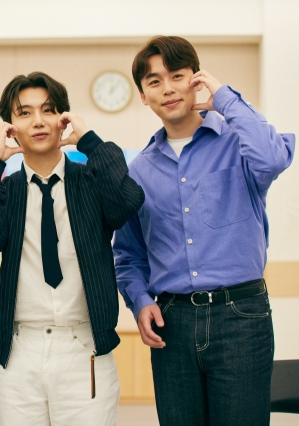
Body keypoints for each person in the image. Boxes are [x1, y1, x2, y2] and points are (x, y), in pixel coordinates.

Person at [113, 36, 295, 426]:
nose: (168, 88)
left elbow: (274, 157)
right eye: (155, 81)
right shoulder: (139, 171)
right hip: (171, 322)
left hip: (240, 317)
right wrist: (140, 299)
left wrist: (225, 99)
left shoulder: (238, 144)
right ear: (144, 96)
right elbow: (128, 253)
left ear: (195, 80)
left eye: (177, 76)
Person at [0, 72, 144, 425]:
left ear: (64, 120)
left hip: (84, 347)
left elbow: (128, 201)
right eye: (24, 113)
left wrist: (91, 142)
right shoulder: (8, 190)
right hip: (20, 349)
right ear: (10, 126)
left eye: (48, 110)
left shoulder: (90, 184)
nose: (38, 121)